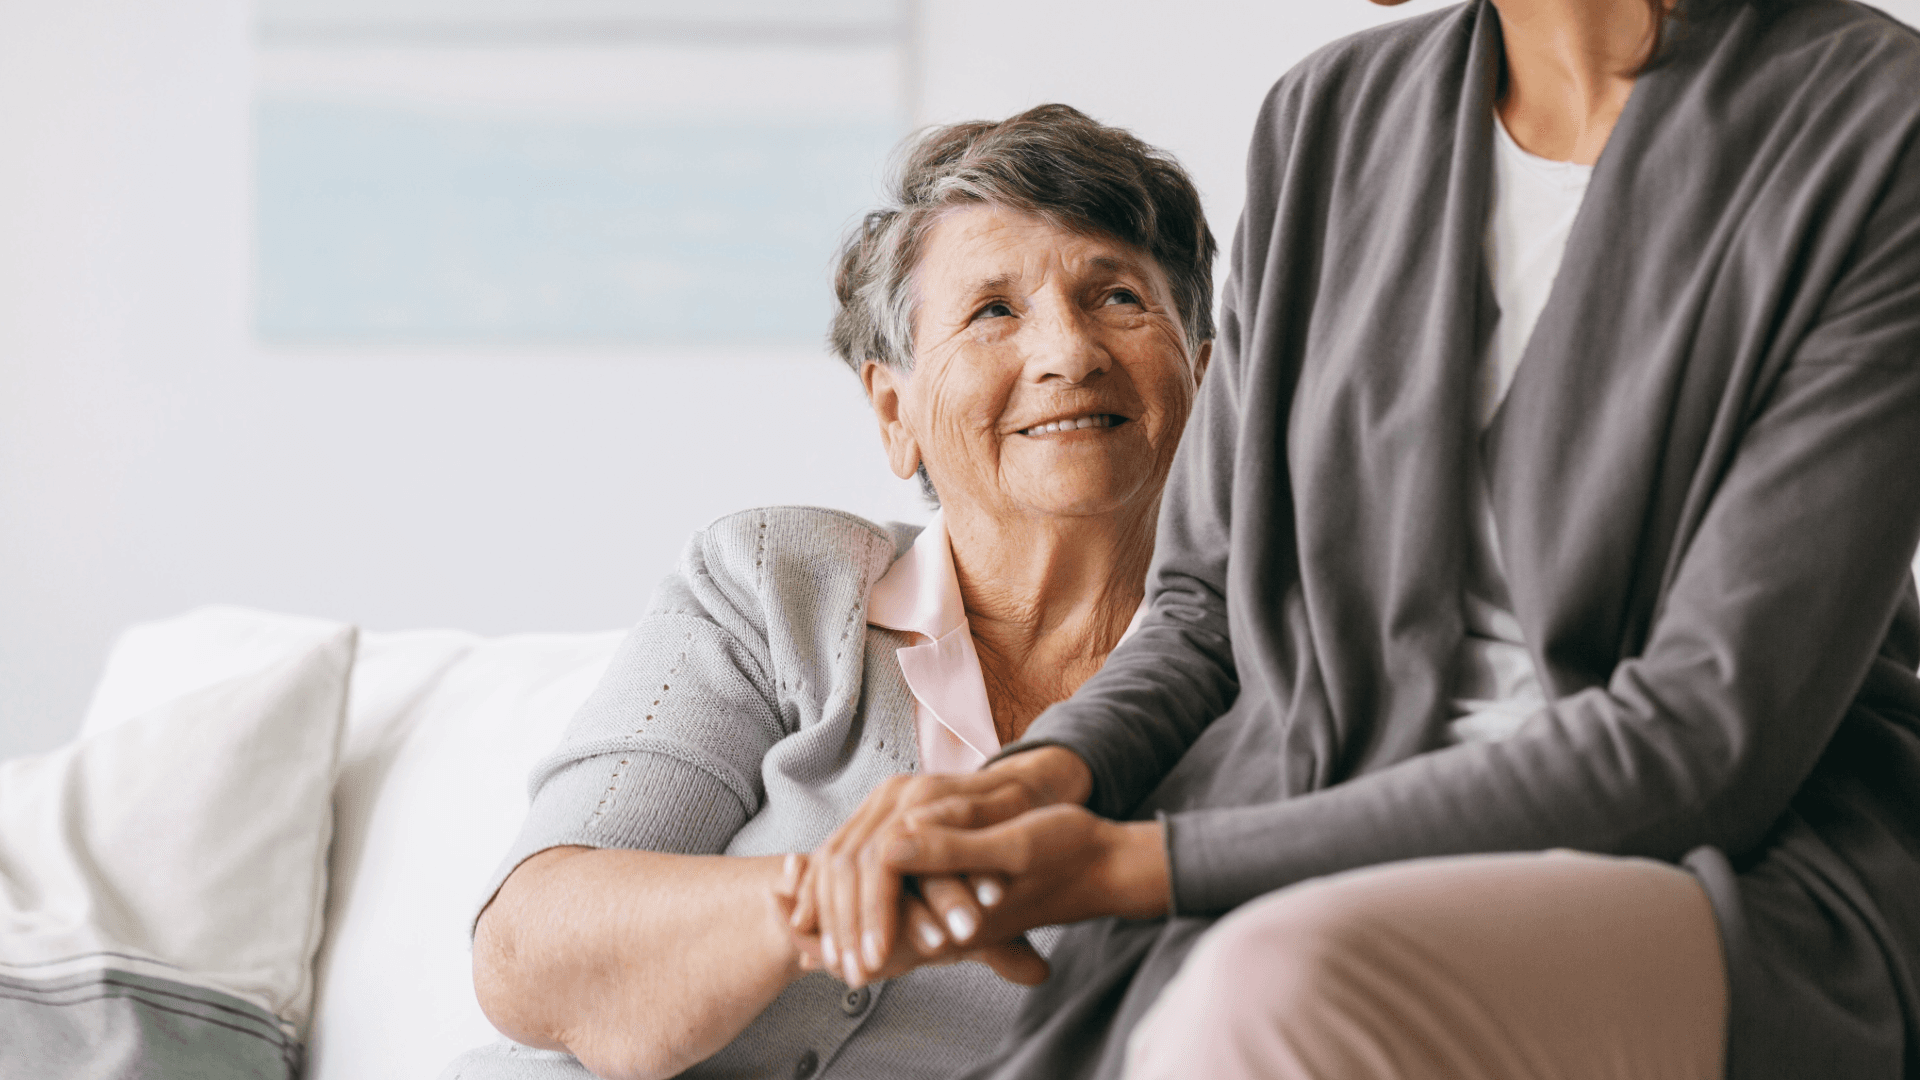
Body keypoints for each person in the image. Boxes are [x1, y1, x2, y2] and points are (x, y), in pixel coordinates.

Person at [787, 0, 1920, 1077]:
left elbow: (1702, 744)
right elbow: (1208, 612)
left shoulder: (1874, 122)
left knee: (1267, 993)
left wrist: (1131, 867)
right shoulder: (1328, 118)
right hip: (1302, 831)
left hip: (1716, 868)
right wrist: (1042, 780)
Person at [441, 103, 1215, 1080]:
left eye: (1117, 299)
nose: (1067, 352)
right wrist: (835, 896)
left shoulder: (1288, 672)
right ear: (896, 412)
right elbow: (527, 953)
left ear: (1208, 378)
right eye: (994, 311)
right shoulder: (775, 583)